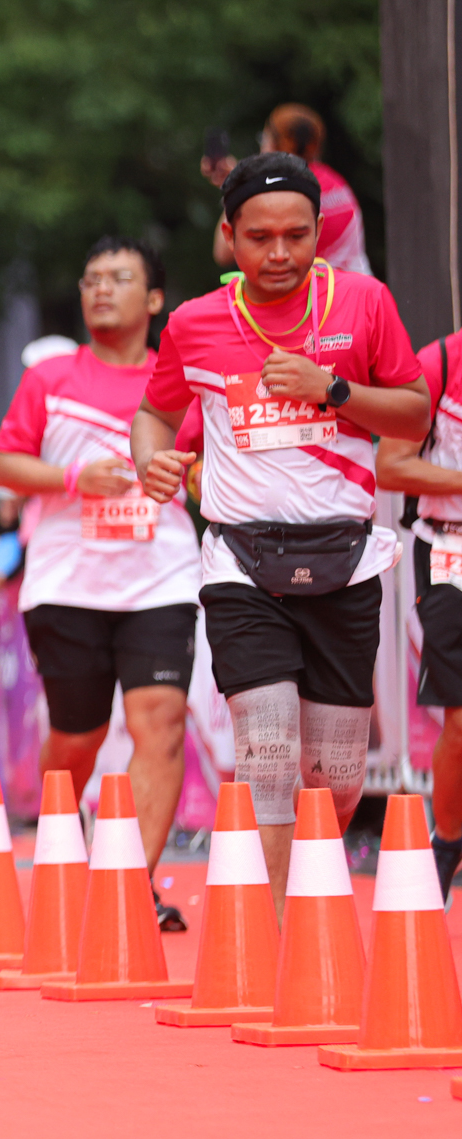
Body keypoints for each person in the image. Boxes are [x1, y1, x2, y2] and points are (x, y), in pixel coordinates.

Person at [135, 152, 428, 914]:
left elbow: (413, 412)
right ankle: (274, 938)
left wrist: (333, 389)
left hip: (345, 560)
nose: (279, 253)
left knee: (335, 780)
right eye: (259, 237)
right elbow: (155, 413)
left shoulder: (363, 302)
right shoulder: (194, 322)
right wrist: (149, 461)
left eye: (297, 235)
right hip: (241, 559)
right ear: (229, 235)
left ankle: (307, 892)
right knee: (267, 754)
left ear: (319, 231)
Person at [0, 236, 202, 930]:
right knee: (77, 738)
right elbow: (5, 464)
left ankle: (127, 890)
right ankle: (63, 849)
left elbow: (204, 466)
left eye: (118, 277)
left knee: (160, 724)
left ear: (155, 299)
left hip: (160, 578)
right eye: (90, 280)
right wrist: (74, 478)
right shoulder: (51, 378)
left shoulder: (181, 382)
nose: (101, 289)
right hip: (68, 583)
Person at [377, 328, 462, 903]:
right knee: (461, 717)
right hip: (450, 549)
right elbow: (391, 465)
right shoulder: (440, 362)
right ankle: (448, 840)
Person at [205, 103, 370, 275]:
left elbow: (223, 253)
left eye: (263, 139)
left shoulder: (281, 195)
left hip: (321, 290)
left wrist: (238, 186)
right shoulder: (335, 182)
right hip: (358, 284)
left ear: (274, 145)